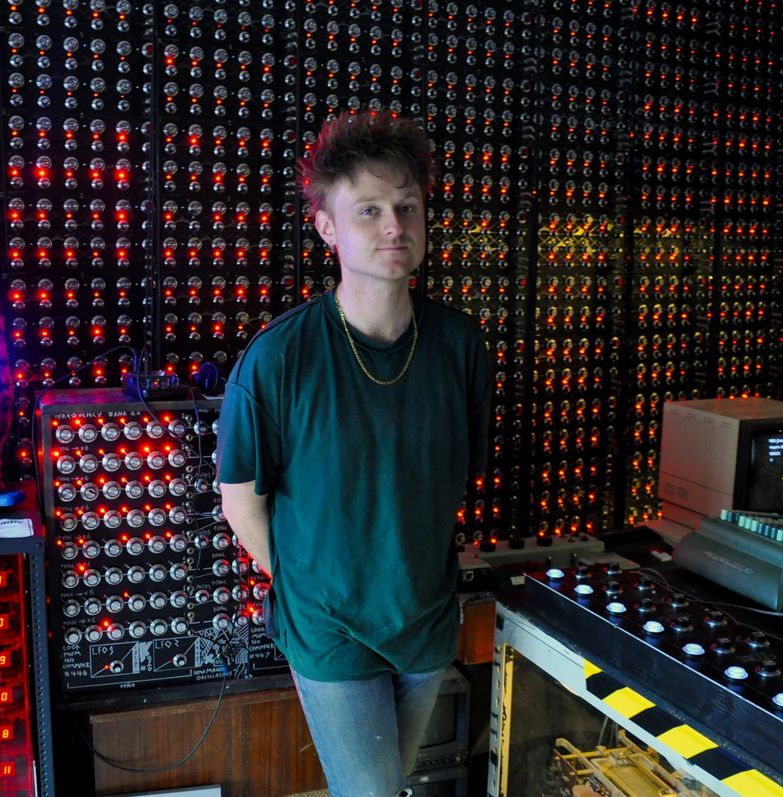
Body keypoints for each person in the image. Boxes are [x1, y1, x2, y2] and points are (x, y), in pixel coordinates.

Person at [216, 110, 491, 797]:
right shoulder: (280, 356)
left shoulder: (460, 345)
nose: (395, 225)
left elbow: (454, 477)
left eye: (407, 206)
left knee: (385, 786)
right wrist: (313, 584)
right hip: (330, 629)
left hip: (425, 620)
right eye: (369, 210)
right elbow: (240, 498)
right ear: (328, 228)